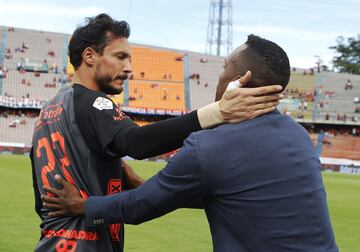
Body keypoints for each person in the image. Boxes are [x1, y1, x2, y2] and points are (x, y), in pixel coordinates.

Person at [43, 35, 338, 251]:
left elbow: (140, 208)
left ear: (240, 80)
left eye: (224, 67)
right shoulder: (298, 134)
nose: (219, 76)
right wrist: (146, 184)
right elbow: (237, 193)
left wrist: (83, 206)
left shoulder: (209, 146)